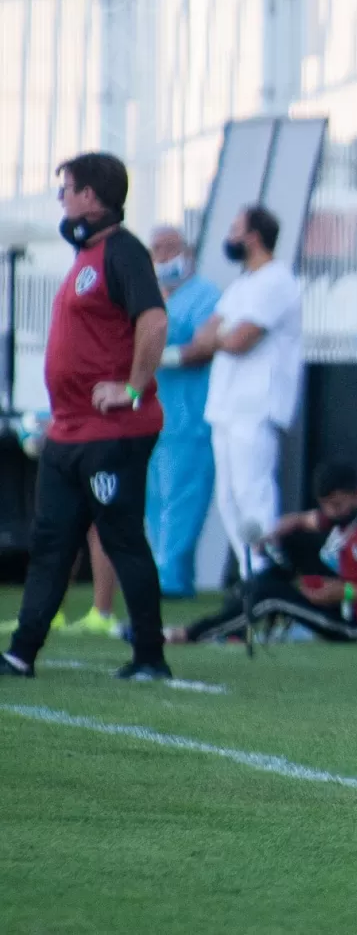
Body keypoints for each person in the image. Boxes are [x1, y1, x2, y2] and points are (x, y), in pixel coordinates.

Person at [1, 152, 171, 681]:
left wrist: (133, 388)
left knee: (122, 539)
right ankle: (21, 653)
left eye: (66, 189)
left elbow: (154, 320)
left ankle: (149, 657)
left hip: (112, 433)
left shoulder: (124, 253)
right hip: (69, 433)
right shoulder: (86, 258)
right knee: (50, 544)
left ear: (92, 199)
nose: (61, 199)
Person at [180, 206, 302, 581]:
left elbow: (238, 340)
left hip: (257, 405)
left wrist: (220, 338)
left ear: (253, 236)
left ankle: (268, 578)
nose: (229, 237)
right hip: (226, 407)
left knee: (254, 494)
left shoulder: (276, 281)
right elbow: (204, 336)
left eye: (234, 228)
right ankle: (253, 579)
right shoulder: (242, 285)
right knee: (229, 499)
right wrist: (220, 338)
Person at [166, 461, 357, 643]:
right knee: (288, 546)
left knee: (271, 596)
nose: (330, 512)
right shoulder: (344, 517)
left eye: (336, 505)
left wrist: (345, 592)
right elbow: (305, 521)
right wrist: (275, 533)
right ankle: (237, 618)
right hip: (339, 595)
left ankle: (190, 634)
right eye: (325, 505)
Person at [147, 225, 220, 598]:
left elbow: (202, 347)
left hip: (190, 418)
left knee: (182, 499)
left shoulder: (206, 296)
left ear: (187, 252)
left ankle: (171, 579)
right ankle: (163, 573)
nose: (162, 256)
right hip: (156, 419)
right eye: (156, 249)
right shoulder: (153, 299)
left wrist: (159, 355)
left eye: (169, 247)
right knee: (155, 499)